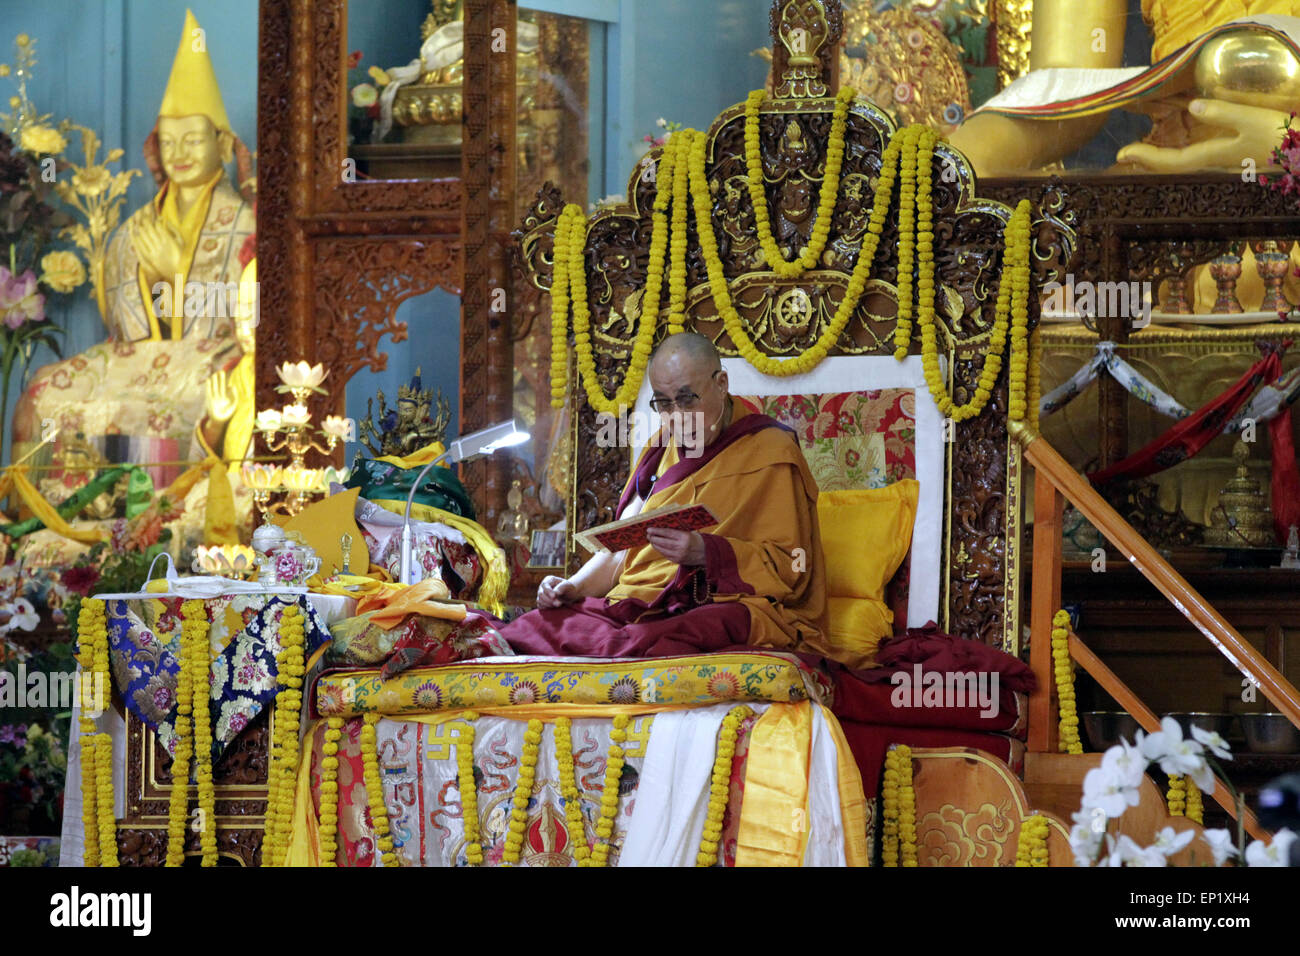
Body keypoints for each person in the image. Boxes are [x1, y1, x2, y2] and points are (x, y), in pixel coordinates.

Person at [501, 332, 827, 658]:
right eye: (663, 402)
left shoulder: (771, 450)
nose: (677, 416)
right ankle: (622, 647)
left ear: (721, 383)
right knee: (537, 625)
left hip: (722, 603)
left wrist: (707, 552)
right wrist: (573, 586)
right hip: (640, 602)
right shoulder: (660, 448)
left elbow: (793, 566)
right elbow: (620, 551)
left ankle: (623, 651)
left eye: (687, 399)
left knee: (697, 630)